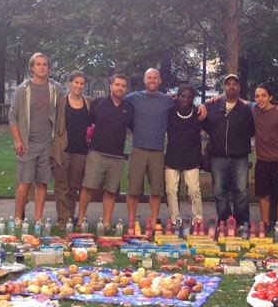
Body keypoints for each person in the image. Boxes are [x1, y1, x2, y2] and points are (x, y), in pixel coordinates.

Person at [124, 68, 206, 229]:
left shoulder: (167, 100)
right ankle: (132, 222)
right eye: (149, 77)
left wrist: (203, 105)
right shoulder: (133, 97)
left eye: (155, 77)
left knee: (156, 191)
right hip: (138, 148)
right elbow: (118, 100)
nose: (152, 80)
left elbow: (187, 101)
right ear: (144, 79)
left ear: (160, 80)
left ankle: (154, 221)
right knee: (133, 189)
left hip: (158, 151)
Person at [8, 53, 62, 223]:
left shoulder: (56, 88)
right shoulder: (22, 90)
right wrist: (18, 140)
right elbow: (13, 115)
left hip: (48, 144)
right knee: (25, 183)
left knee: (42, 183)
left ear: (49, 68)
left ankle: (38, 220)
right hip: (27, 143)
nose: (41, 67)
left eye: (45, 64)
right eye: (38, 64)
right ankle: (18, 219)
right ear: (32, 68)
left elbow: (63, 111)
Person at [77, 74, 134, 228]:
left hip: (117, 156)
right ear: (110, 86)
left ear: (126, 88)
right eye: (117, 84)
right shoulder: (98, 103)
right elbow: (87, 124)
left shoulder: (128, 108)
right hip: (97, 153)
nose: (120, 88)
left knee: (111, 191)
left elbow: (133, 128)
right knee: (88, 187)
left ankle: (107, 222)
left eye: (123, 85)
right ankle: (80, 219)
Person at [203, 74, 255, 225]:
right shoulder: (213, 106)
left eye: (234, 84)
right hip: (218, 156)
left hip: (239, 157)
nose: (231, 86)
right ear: (224, 87)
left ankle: (242, 222)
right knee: (219, 191)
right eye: (228, 84)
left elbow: (252, 129)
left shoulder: (245, 109)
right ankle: (225, 221)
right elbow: (205, 123)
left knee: (241, 191)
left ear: (239, 88)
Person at [50, 71, 92, 225]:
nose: (79, 86)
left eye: (82, 83)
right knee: (62, 186)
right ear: (70, 83)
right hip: (62, 149)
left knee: (74, 187)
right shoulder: (61, 102)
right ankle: (63, 220)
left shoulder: (88, 102)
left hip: (81, 150)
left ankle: (70, 217)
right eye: (76, 82)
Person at [252, 83, 278, 228]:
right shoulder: (254, 109)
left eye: (264, 96)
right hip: (262, 161)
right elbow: (238, 100)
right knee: (263, 195)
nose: (260, 99)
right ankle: (265, 224)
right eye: (257, 96)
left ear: (270, 97)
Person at [164, 85, 205, 221]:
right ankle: (175, 219)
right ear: (178, 96)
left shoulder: (198, 113)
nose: (186, 99)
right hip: (173, 156)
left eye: (189, 97)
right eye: (183, 96)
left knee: (194, 190)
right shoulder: (170, 112)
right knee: (171, 190)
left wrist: (204, 106)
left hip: (191, 157)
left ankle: (197, 219)